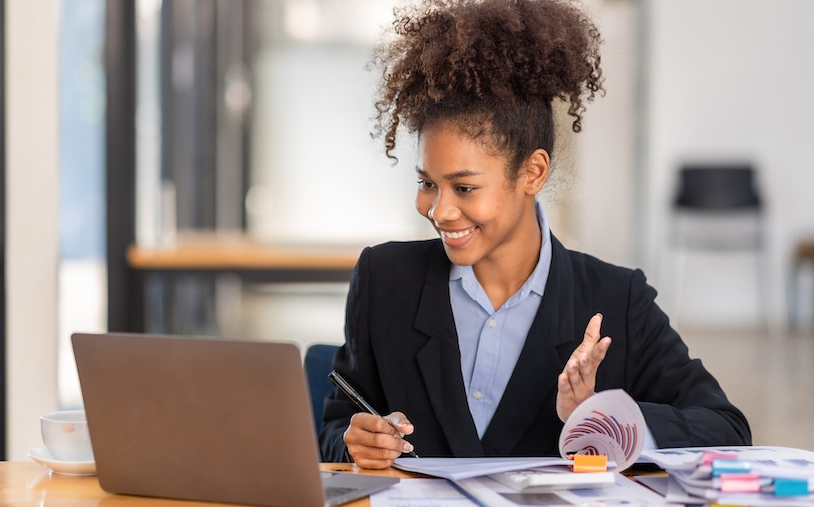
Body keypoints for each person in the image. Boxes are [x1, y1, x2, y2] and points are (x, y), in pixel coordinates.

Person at [318, 0, 751, 469]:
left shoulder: (617, 301)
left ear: (532, 172)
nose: (439, 210)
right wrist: (353, 442)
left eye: (464, 187)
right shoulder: (385, 280)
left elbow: (726, 429)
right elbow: (337, 424)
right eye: (427, 183)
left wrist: (598, 419)